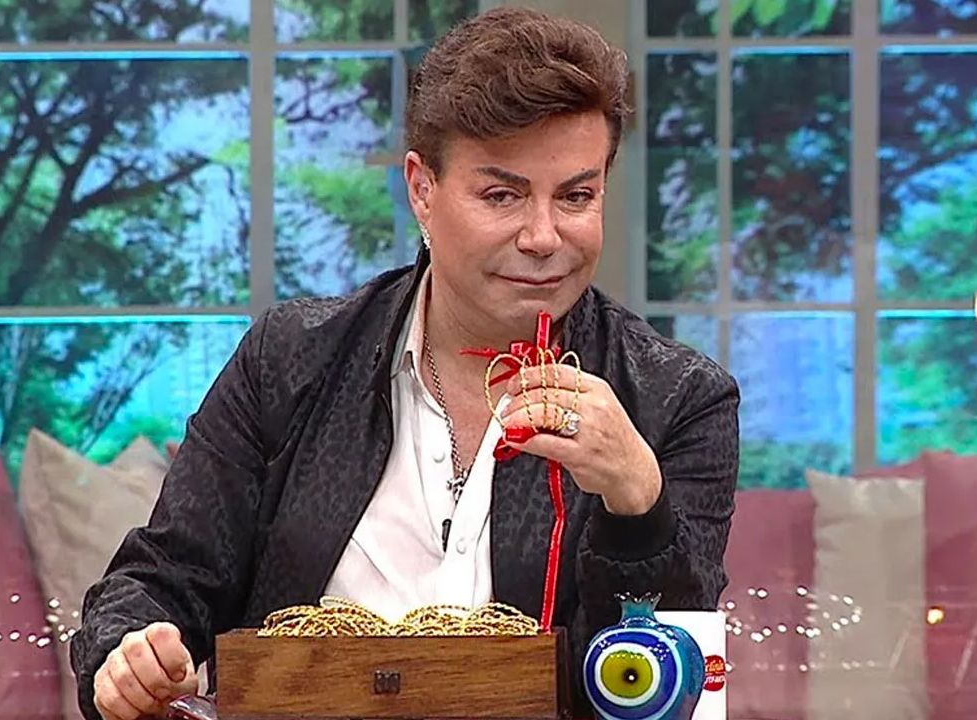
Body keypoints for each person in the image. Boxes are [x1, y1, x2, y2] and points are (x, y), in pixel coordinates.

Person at [70, 7, 740, 720]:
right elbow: (163, 578)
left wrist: (638, 500)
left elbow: (681, 690)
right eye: (502, 195)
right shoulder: (289, 358)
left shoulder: (678, 399)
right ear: (422, 189)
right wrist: (130, 654)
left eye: (576, 196)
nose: (544, 237)